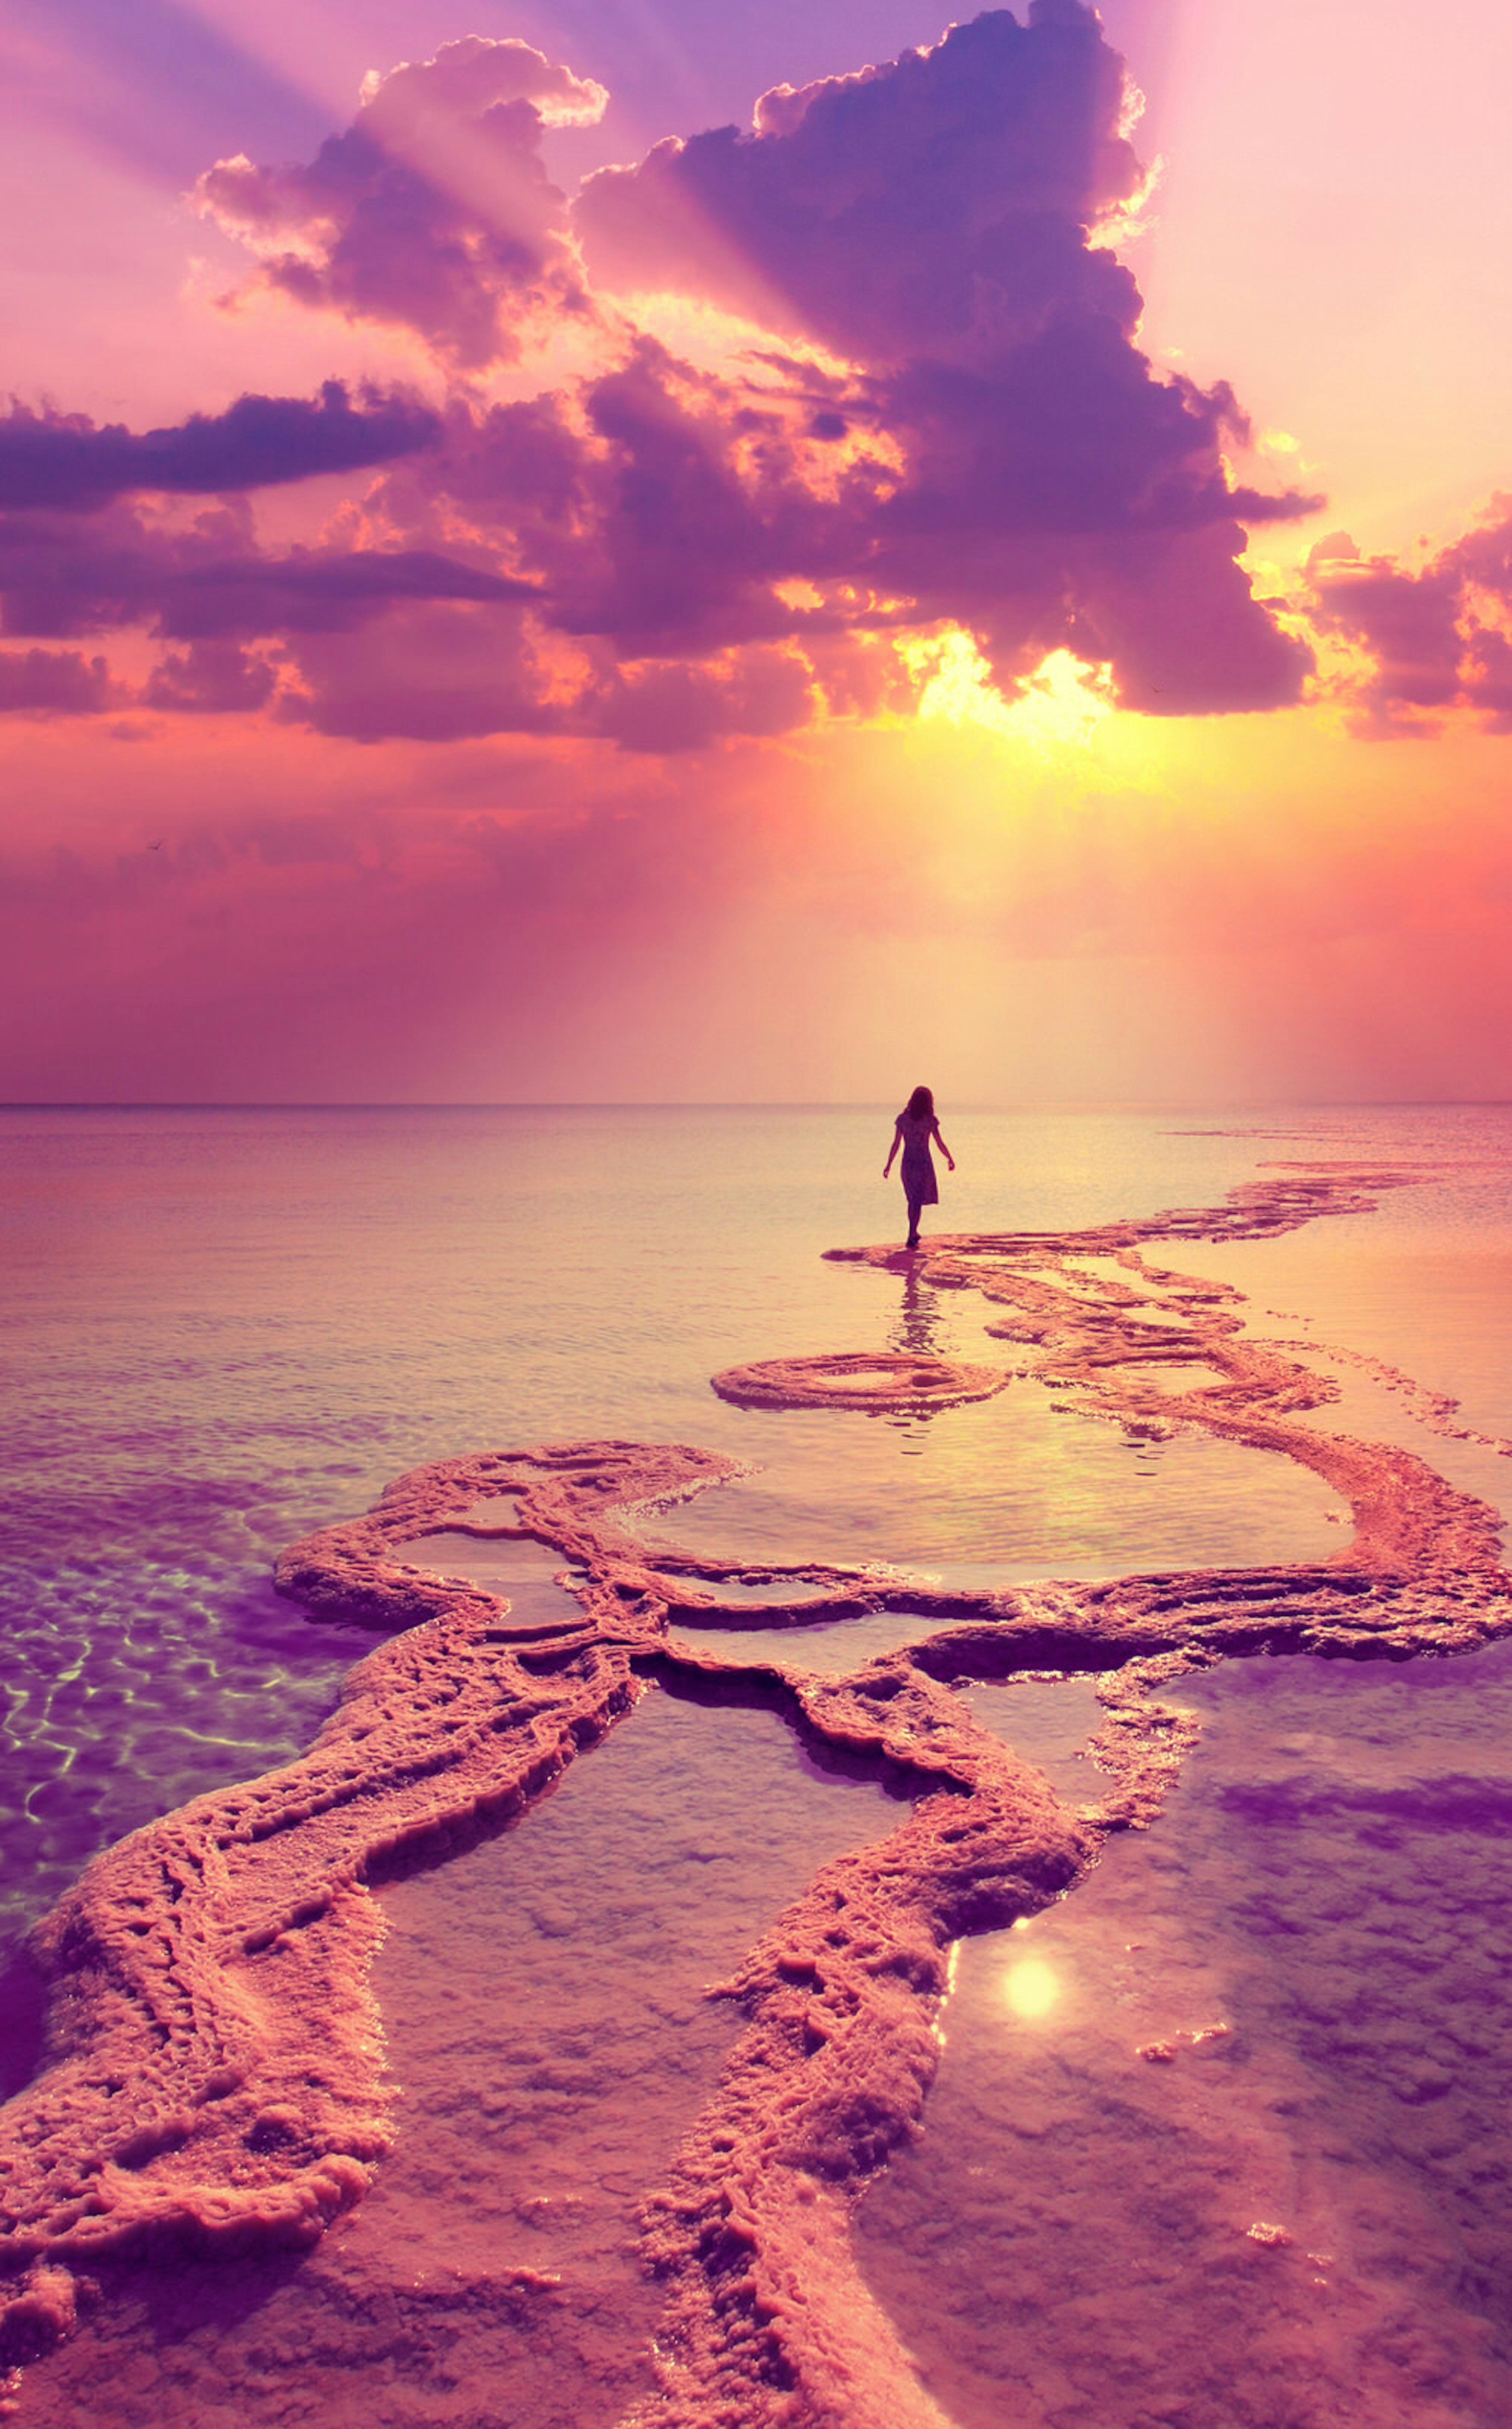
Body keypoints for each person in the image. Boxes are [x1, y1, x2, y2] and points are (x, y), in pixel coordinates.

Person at [883, 1084, 955, 1249]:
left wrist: (889, 1165)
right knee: (917, 1201)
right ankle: (912, 1233)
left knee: (912, 1200)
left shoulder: (903, 1120)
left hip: (908, 1163)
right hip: (923, 1164)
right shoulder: (930, 1121)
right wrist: (949, 1158)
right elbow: (939, 1142)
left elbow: (896, 1144)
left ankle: (913, 1232)